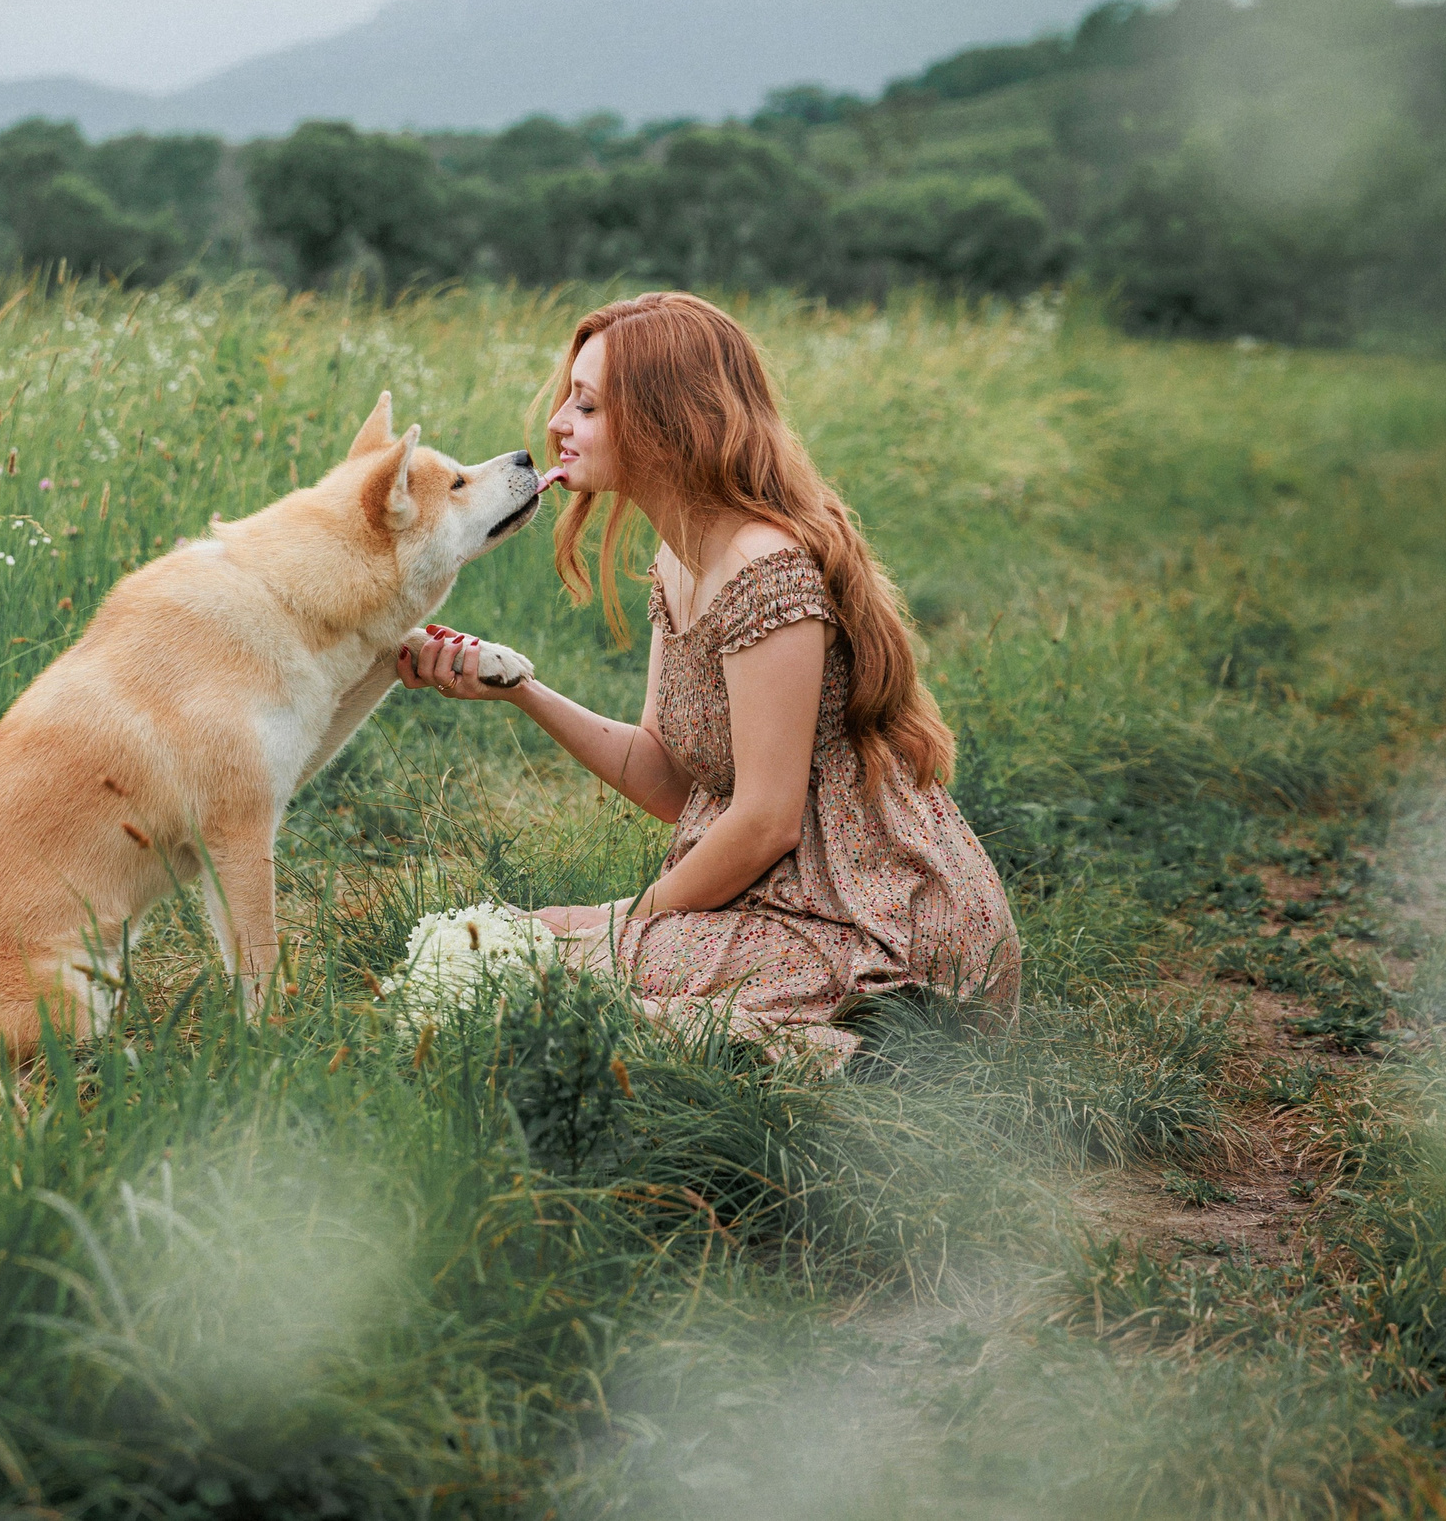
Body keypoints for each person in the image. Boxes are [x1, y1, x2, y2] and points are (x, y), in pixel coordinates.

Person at [396, 292, 1019, 1066]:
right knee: (511, 945)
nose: (558, 422)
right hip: (781, 903)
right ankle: (805, 1052)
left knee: (541, 976)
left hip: (876, 928)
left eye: (587, 405)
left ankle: (881, 1049)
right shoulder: (678, 557)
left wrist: (624, 918)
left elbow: (765, 821)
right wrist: (520, 687)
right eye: (569, 399)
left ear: (666, 420)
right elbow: (671, 778)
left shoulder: (764, 568)